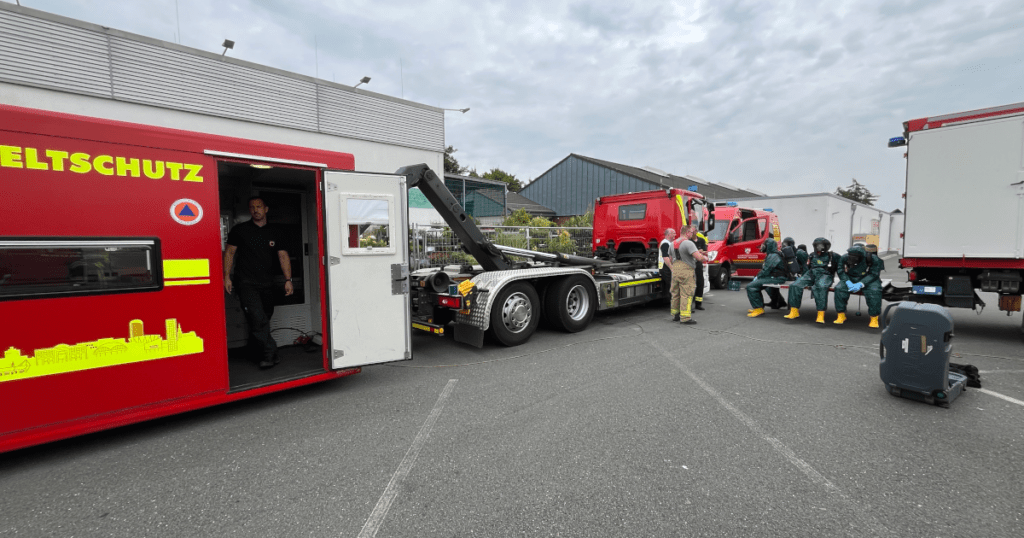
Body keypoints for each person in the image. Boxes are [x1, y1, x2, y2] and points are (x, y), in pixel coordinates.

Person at [224, 197, 294, 368]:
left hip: (268, 284)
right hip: (246, 283)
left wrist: (288, 280)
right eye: (252, 207)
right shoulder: (240, 230)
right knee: (257, 319)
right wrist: (226, 276)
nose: (256, 210)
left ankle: (255, 349)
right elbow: (229, 254)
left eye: (259, 207)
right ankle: (270, 354)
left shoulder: (276, 232)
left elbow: (283, 256)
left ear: (266, 209)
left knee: (263, 318)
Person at [784, 237, 841, 323]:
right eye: (817, 246)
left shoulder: (833, 256)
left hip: (825, 275)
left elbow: (841, 266)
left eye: (821, 246)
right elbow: (807, 266)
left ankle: (820, 314)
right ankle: (794, 311)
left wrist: (844, 280)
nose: (819, 248)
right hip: (811, 273)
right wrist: (804, 278)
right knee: (795, 285)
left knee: (821, 287)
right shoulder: (811, 255)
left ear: (826, 246)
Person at [833, 244, 883, 327]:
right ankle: (841, 315)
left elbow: (874, 274)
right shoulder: (844, 257)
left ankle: (874, 318)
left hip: (868, 279)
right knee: (839, 289)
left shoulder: (873, 258)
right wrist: (848, 282)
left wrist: (861, 284)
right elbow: (840, 271)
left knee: (874, 291)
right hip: (850, 278)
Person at [670, 225, 708, 324]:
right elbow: (698, 257)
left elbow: (670, 259)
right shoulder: (688, 243)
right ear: (687, 232)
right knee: (686, 294)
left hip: (675, 270)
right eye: (691, 232)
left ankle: (675, 315)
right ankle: (685, 318)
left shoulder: (672, 243)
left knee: (675, 293)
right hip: (686, 270)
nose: (692, 234)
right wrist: (705, 257)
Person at [746, 237, 789, 317]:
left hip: (777, 278)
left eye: (764, 245)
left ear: (768, 246)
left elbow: (766, 270)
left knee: (751, 286)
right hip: (776, 277)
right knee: (764, 285)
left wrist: (757, 277)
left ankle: (758, 308)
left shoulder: (773, 256)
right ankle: (779, 302)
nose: (763, 247)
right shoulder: (773, 254)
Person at [692, 229, 709, 310]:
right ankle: (689, 305)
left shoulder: (701, 240)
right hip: (690, 264)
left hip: (698, 264)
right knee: (690, 285)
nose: (693, 233)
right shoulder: (688, 241)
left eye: (694, 231)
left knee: (700, 283)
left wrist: (701, 252)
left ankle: (698, 304)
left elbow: (705, 252)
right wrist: (697, 252)